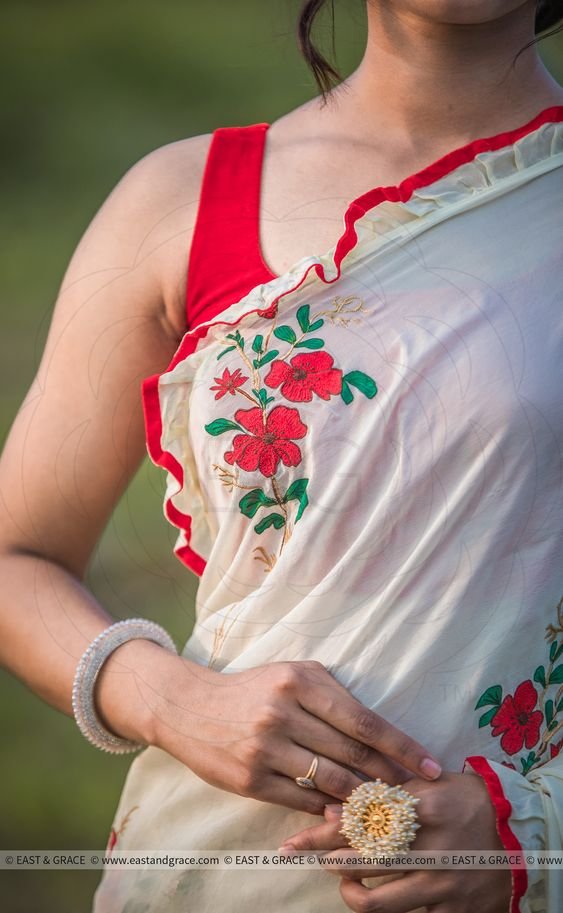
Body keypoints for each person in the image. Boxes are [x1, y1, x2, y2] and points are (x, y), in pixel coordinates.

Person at [1, 0, 562, 911]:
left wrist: (530, 832)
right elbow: (15, 558)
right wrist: (167, 700)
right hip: (203, 871)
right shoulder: (183, 198)